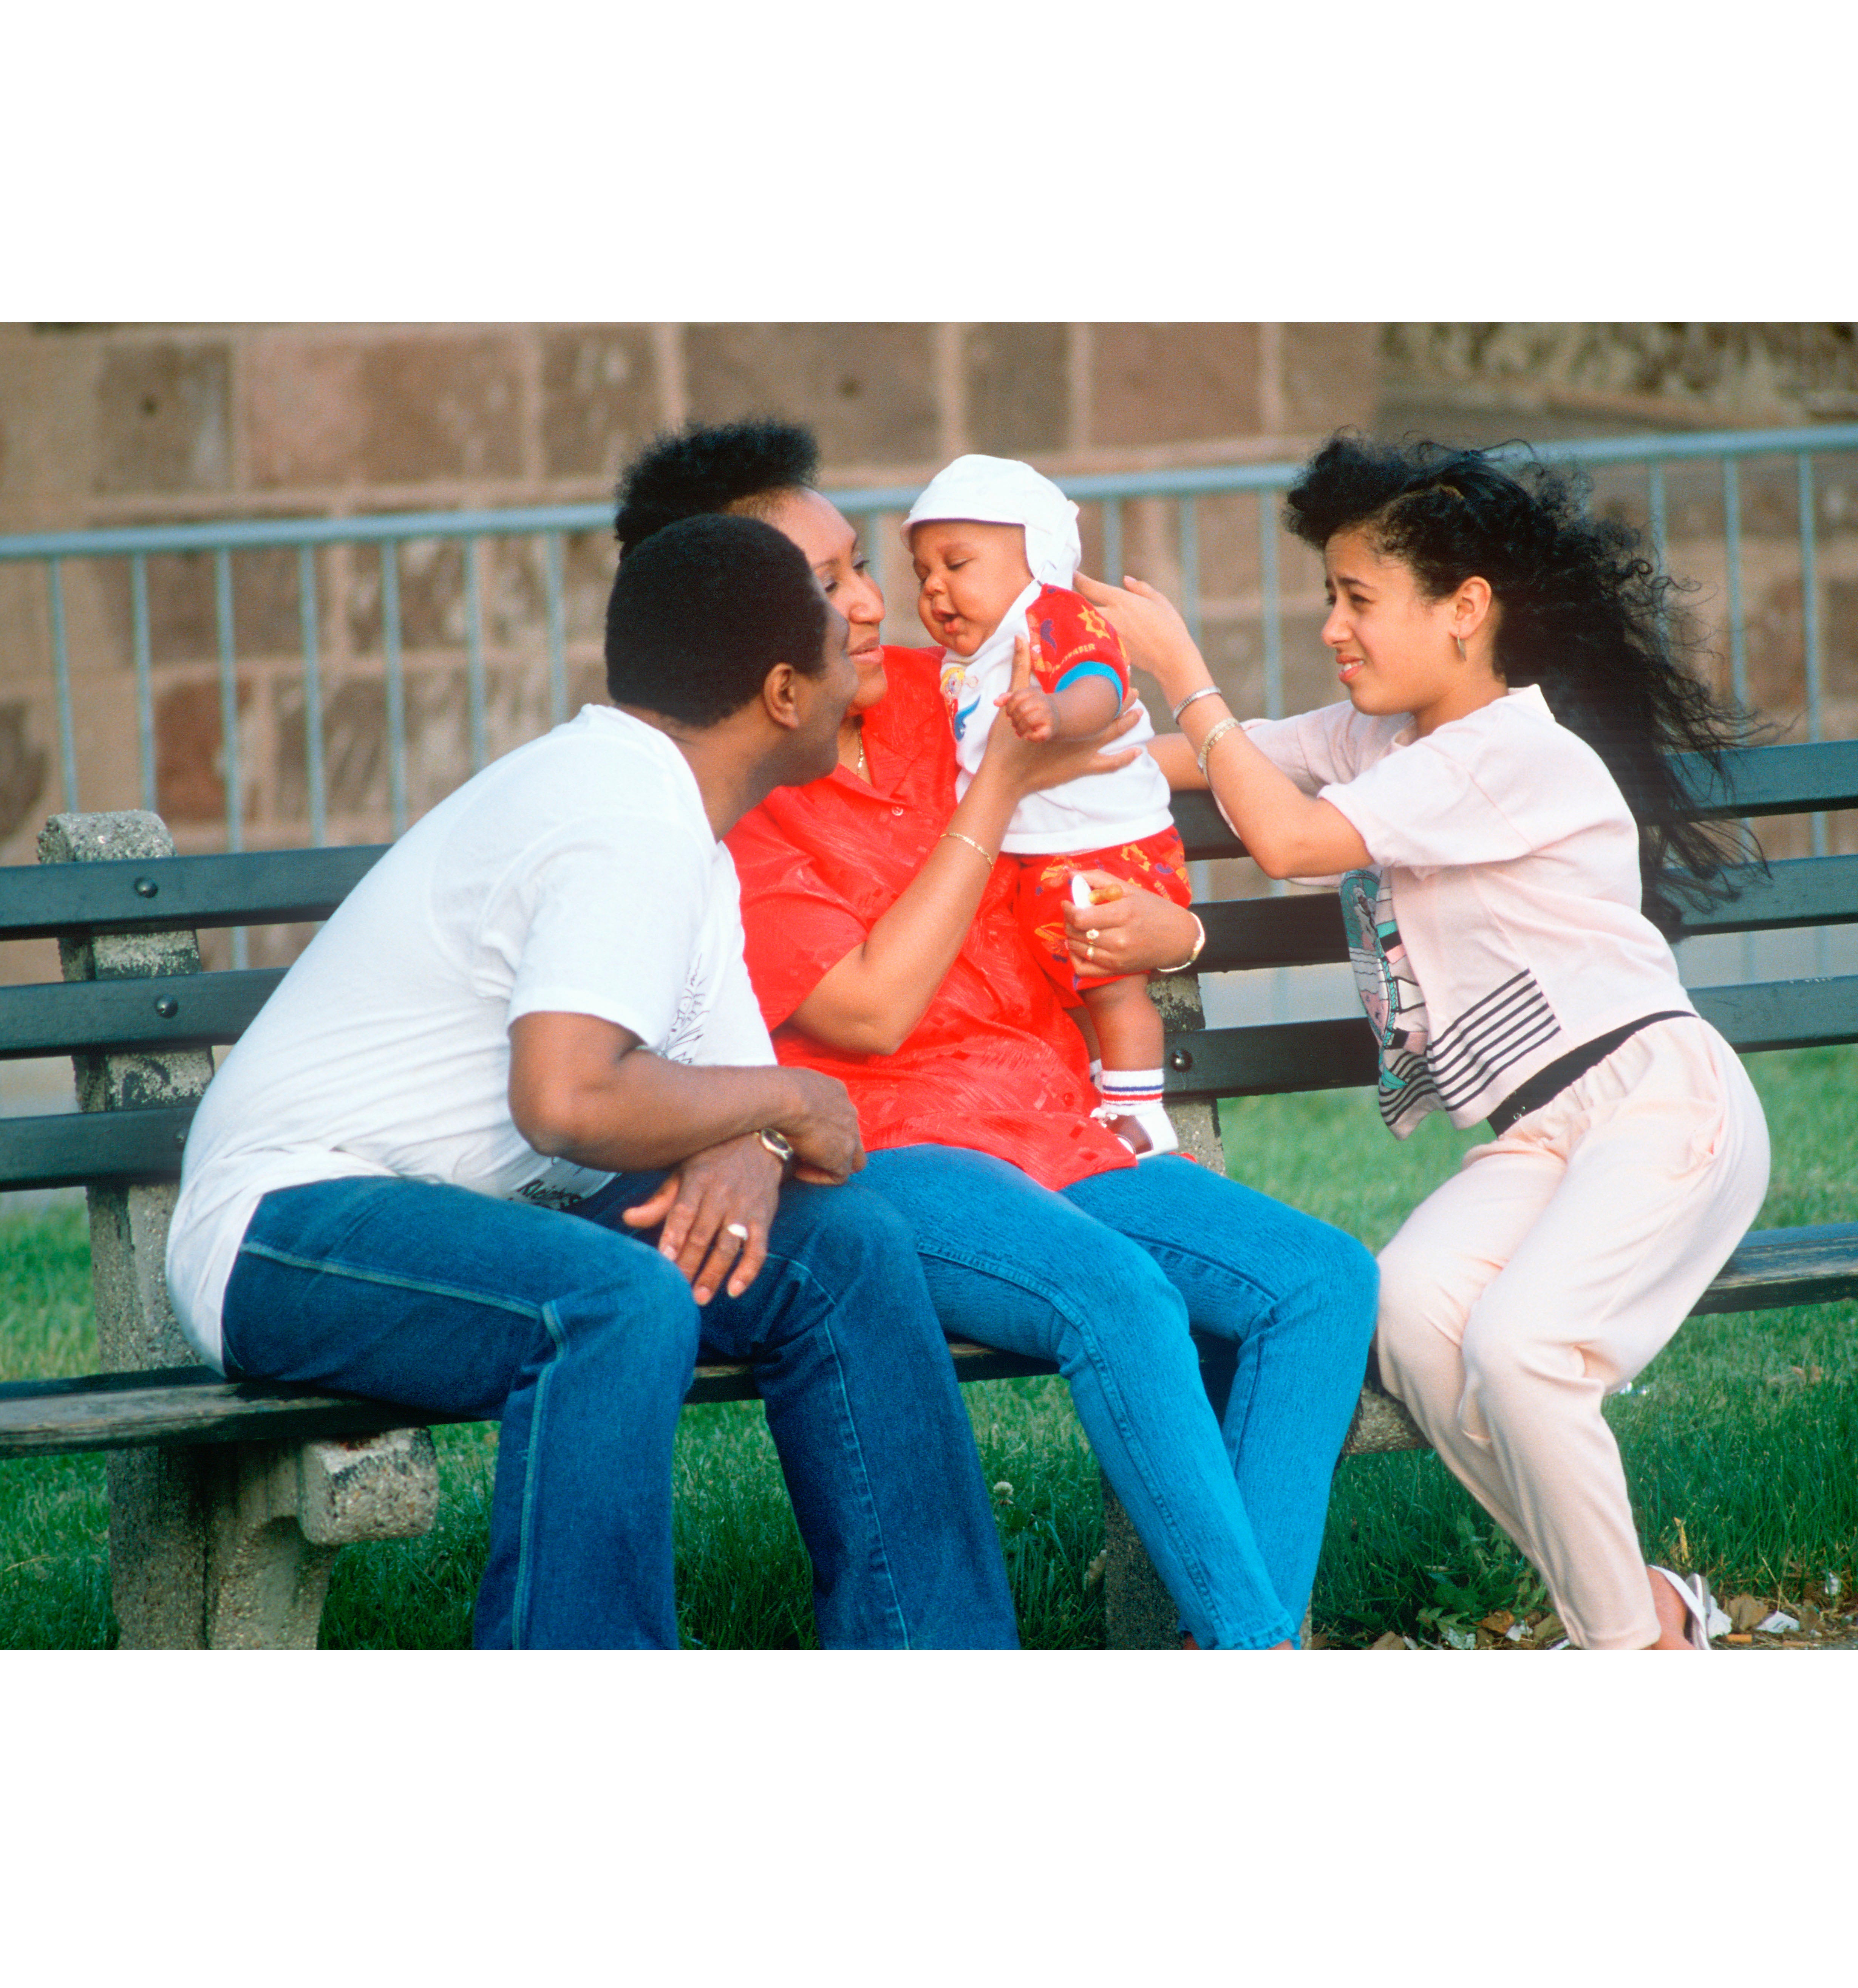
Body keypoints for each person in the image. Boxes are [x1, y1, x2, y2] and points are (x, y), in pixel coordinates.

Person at [165, 512, 1019, 1650]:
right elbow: (568, 1098)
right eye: (833, 624)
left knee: (843, 1247)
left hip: (466, 1218)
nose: (864, 624)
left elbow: (794, 1138)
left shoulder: (686, 837)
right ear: (779, 693)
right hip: (284, 1231)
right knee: (611, 1303)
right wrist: (777, 1103)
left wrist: (758, 1137)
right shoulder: (616, 815)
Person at [614, 422, 1378, 1653]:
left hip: (1062, 1130)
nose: (877, 605)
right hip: (896, 1155)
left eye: (866, 566)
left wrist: (1171, 930)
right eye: (830, 585)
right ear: (740, 631)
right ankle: (1262, 1653)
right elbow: (867, 1012)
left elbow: (1120, 756)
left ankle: (1235, 1640)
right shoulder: (734, 806)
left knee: (1321, 1281)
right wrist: (1001, 787)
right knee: (1120, 1296)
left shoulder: (958, 686)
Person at [1080, 434, 1773, 1651]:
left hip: (1655, 1104)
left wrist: (1184, 670)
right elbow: (1200, 765)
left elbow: (1287, 838)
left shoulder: (1511, 752)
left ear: (1464, 611)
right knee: (1405, 1310)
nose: (1331, 627)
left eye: (1357, 599)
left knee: (1516, 1348)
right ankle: (1650, 1615)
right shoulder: (1378, 741)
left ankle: (1631, 1651)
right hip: (1537, 1135)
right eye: (1327, 597)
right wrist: (1024, 745)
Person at [901, 454, 1190, 1158]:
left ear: (1033, 558)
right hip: (1034, 857)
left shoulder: (1052, 614)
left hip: (1106, 846)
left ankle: (1142, 1114)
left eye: (957, 563)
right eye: (921, 573)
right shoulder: (960, 663)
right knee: (1069, 992)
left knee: (1111, 984)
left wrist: (1053, 712)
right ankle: (1104, 1102)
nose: (936, 587)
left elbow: (1103, 686)